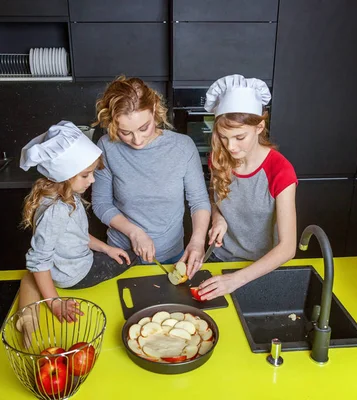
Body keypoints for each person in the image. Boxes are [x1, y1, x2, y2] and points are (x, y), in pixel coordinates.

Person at [15, 121, 137, 347]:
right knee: (134, 258)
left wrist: (107, 248)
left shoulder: (63, 197)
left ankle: (28, 319)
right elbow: (38, 261)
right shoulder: (57, 211)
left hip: (66, 267)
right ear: (64, 175)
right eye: (85, 175)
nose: (91, 180)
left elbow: (77, 235)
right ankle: (30, 329)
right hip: (76, 275)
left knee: (29, 277)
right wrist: (55, 303)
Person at [194, 74, 298, 301]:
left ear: (259, 126)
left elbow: (288, 247)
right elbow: (215, 197)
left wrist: (236, 279)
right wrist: (217, 217)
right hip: (218, 260)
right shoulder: (218, 158)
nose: (230, 146)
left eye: (240, 137)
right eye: (223, 137)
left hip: (258, 269)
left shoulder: (280, 170)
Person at [92, 76, 211, 274]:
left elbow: (199, 200)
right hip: (121, 254)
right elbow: (101, 203)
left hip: (172, 255)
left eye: (143, 128)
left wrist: (198, 242)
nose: (137, 140)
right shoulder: (107, 146)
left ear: (155, 110)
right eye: (125, 132)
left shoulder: (182, 147)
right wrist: (134, 233)